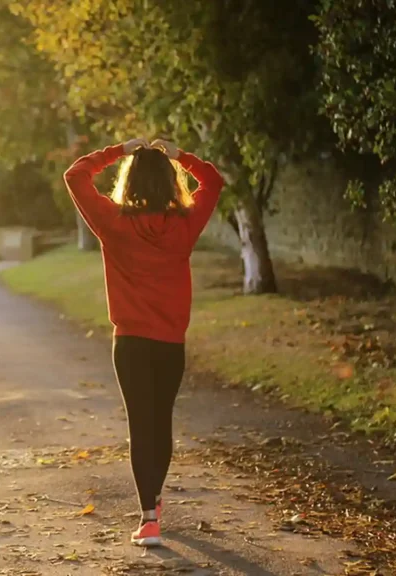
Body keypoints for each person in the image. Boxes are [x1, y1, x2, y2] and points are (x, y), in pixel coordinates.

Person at [63, 137, 223, 547]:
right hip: (170, 342)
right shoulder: (185, 224)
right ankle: (153, 500)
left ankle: (149, 516)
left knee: (140, 424)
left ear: (129, 182)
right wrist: (180, 156)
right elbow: (213, 181)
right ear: (171, 183)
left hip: (130, 343)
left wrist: (118, 150)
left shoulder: (113, 222)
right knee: (161, 421)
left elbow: (75, 175)